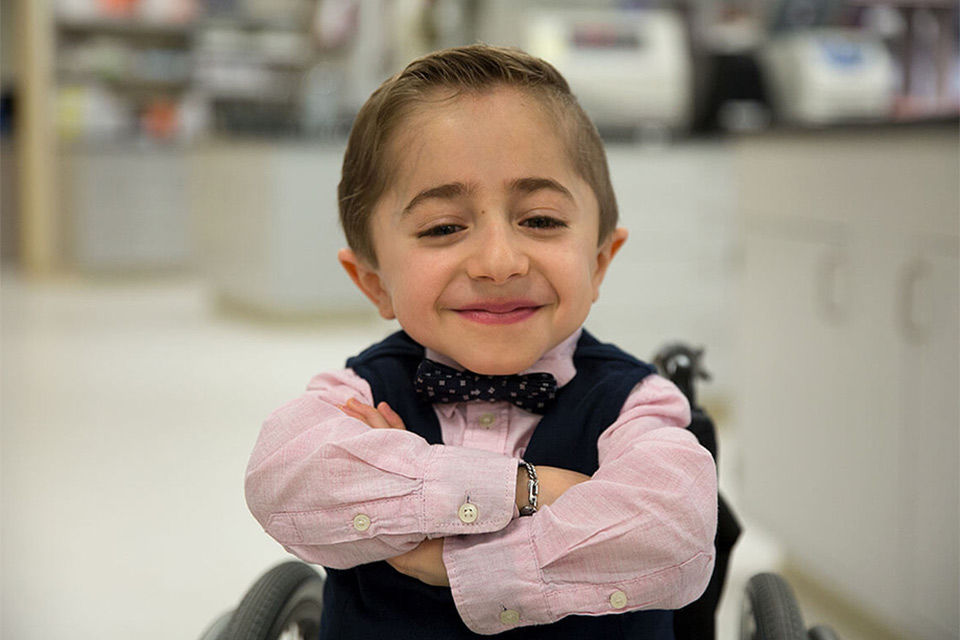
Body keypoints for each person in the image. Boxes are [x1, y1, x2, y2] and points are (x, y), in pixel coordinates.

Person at [245, 44, 717, 639]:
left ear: (599, 261)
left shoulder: (636, 404)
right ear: (374, 282)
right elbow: (284, 481)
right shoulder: (361, 393)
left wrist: (455, 559)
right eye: (444, 227)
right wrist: (526, 489)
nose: (499, 261)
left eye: (540, 220)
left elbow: (677, 530)